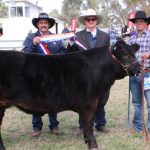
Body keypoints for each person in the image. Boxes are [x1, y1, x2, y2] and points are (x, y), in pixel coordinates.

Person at [22, 12, 68, 137]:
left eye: (45, 23)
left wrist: (55, 58)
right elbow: (25, 53)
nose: (43, 25)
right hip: (36, 75)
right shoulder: (31, 37)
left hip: (53, 75)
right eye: (41, 23)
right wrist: (34, 44)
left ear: (49, 25)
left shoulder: (56, 37)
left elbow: (63, 52)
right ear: (37, 24)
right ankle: (36, 127)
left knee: (53, 99)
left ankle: (54, 126)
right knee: (36, 100)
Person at [69, 9, 110, 134]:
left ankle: (100, 124)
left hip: (101, 74)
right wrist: (70, 43)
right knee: (84, 100)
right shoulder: (77, 36)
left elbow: (107, 55)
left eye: (93, 19)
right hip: (84, 75)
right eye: (88, 19)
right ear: (85, 21)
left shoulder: (105, 36)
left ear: (96, 20)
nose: (91, 21)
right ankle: (83, 126)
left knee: (101, 98)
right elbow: (71, 53)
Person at [128, 10, 150, 133]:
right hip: (134, 75)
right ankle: (138, 127)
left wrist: (149, 55)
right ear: (135, 23)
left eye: (142, 21)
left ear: (146, 23)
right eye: (137, 21)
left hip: (147, 73)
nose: (139, 23)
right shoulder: (131, 37)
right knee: (137, 103)